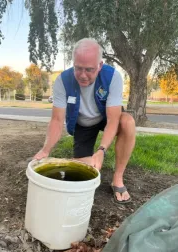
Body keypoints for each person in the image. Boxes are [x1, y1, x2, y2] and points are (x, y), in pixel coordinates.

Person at [34, 38, 136, 204]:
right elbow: (57, 120)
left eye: (89, 70)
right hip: (83, 124)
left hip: (105, 117)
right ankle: (81, 160)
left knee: (127, 122)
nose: (82, 75)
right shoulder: (62, 80)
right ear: (73, 63)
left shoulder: (112, 77)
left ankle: (117, 178)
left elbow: (113, 120)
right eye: (78, 68)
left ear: (100, 65)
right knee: (83, 167)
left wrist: (101, 150)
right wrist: (46, 150)